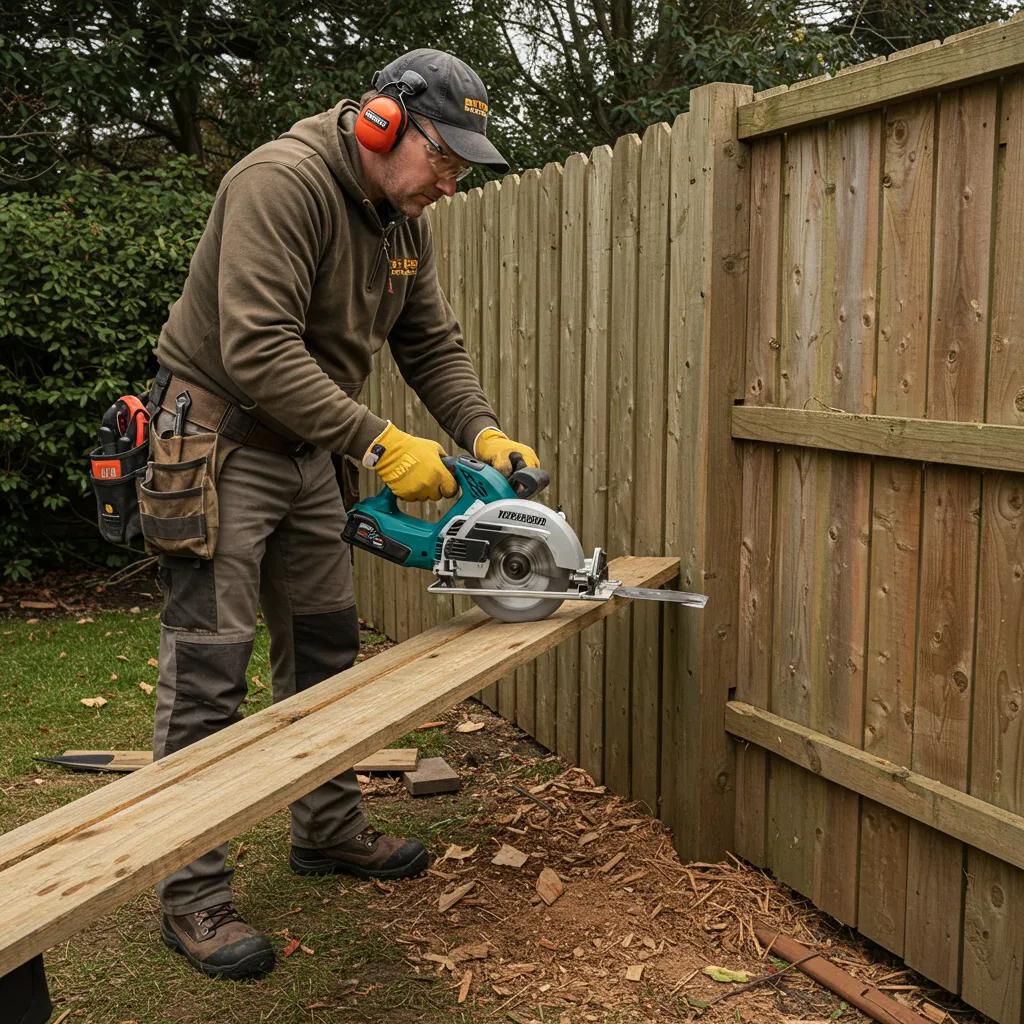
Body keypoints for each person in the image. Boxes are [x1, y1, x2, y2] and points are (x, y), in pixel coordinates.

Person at [146, 48, 539, 980]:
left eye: (459, 169)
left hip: (307, 449)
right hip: (220, 440)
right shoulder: (279, 185)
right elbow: (255, 351)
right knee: (210, 664)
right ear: (381, 123)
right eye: (443, 159)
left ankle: (324, 827)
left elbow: (429, 341)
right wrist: (377, 443)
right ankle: (191, 892)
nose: (448, 182)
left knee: (325, 647)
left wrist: (482, 436)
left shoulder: (401, 222)